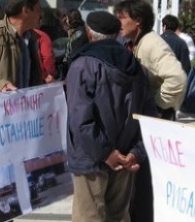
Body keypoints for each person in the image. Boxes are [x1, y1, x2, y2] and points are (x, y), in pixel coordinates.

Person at [66, 11, 154, 222]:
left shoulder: (83, 65)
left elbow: (80, 120)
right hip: (124, 157)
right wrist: (135, 152)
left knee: (89, 216)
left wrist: (107, 153)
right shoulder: (137, 67)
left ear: (89, 33)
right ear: (117, 35)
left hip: (92, 159)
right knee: (118, 216)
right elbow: (149, 117)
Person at [114, 0, 187, 222]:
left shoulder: (152, 43)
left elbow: (177, 78)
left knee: (145, 189)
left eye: (123, 17)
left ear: (138, 21)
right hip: (145, 126)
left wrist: (156, 105)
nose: (119, 22)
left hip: (153, 126)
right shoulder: (138, 42)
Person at [60, 9, 88, 78]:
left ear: (71, 19)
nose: (66, 21)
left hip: (74, 72)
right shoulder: (76, 32)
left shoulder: (79, 34)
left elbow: (74, 54)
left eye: (67, 18)